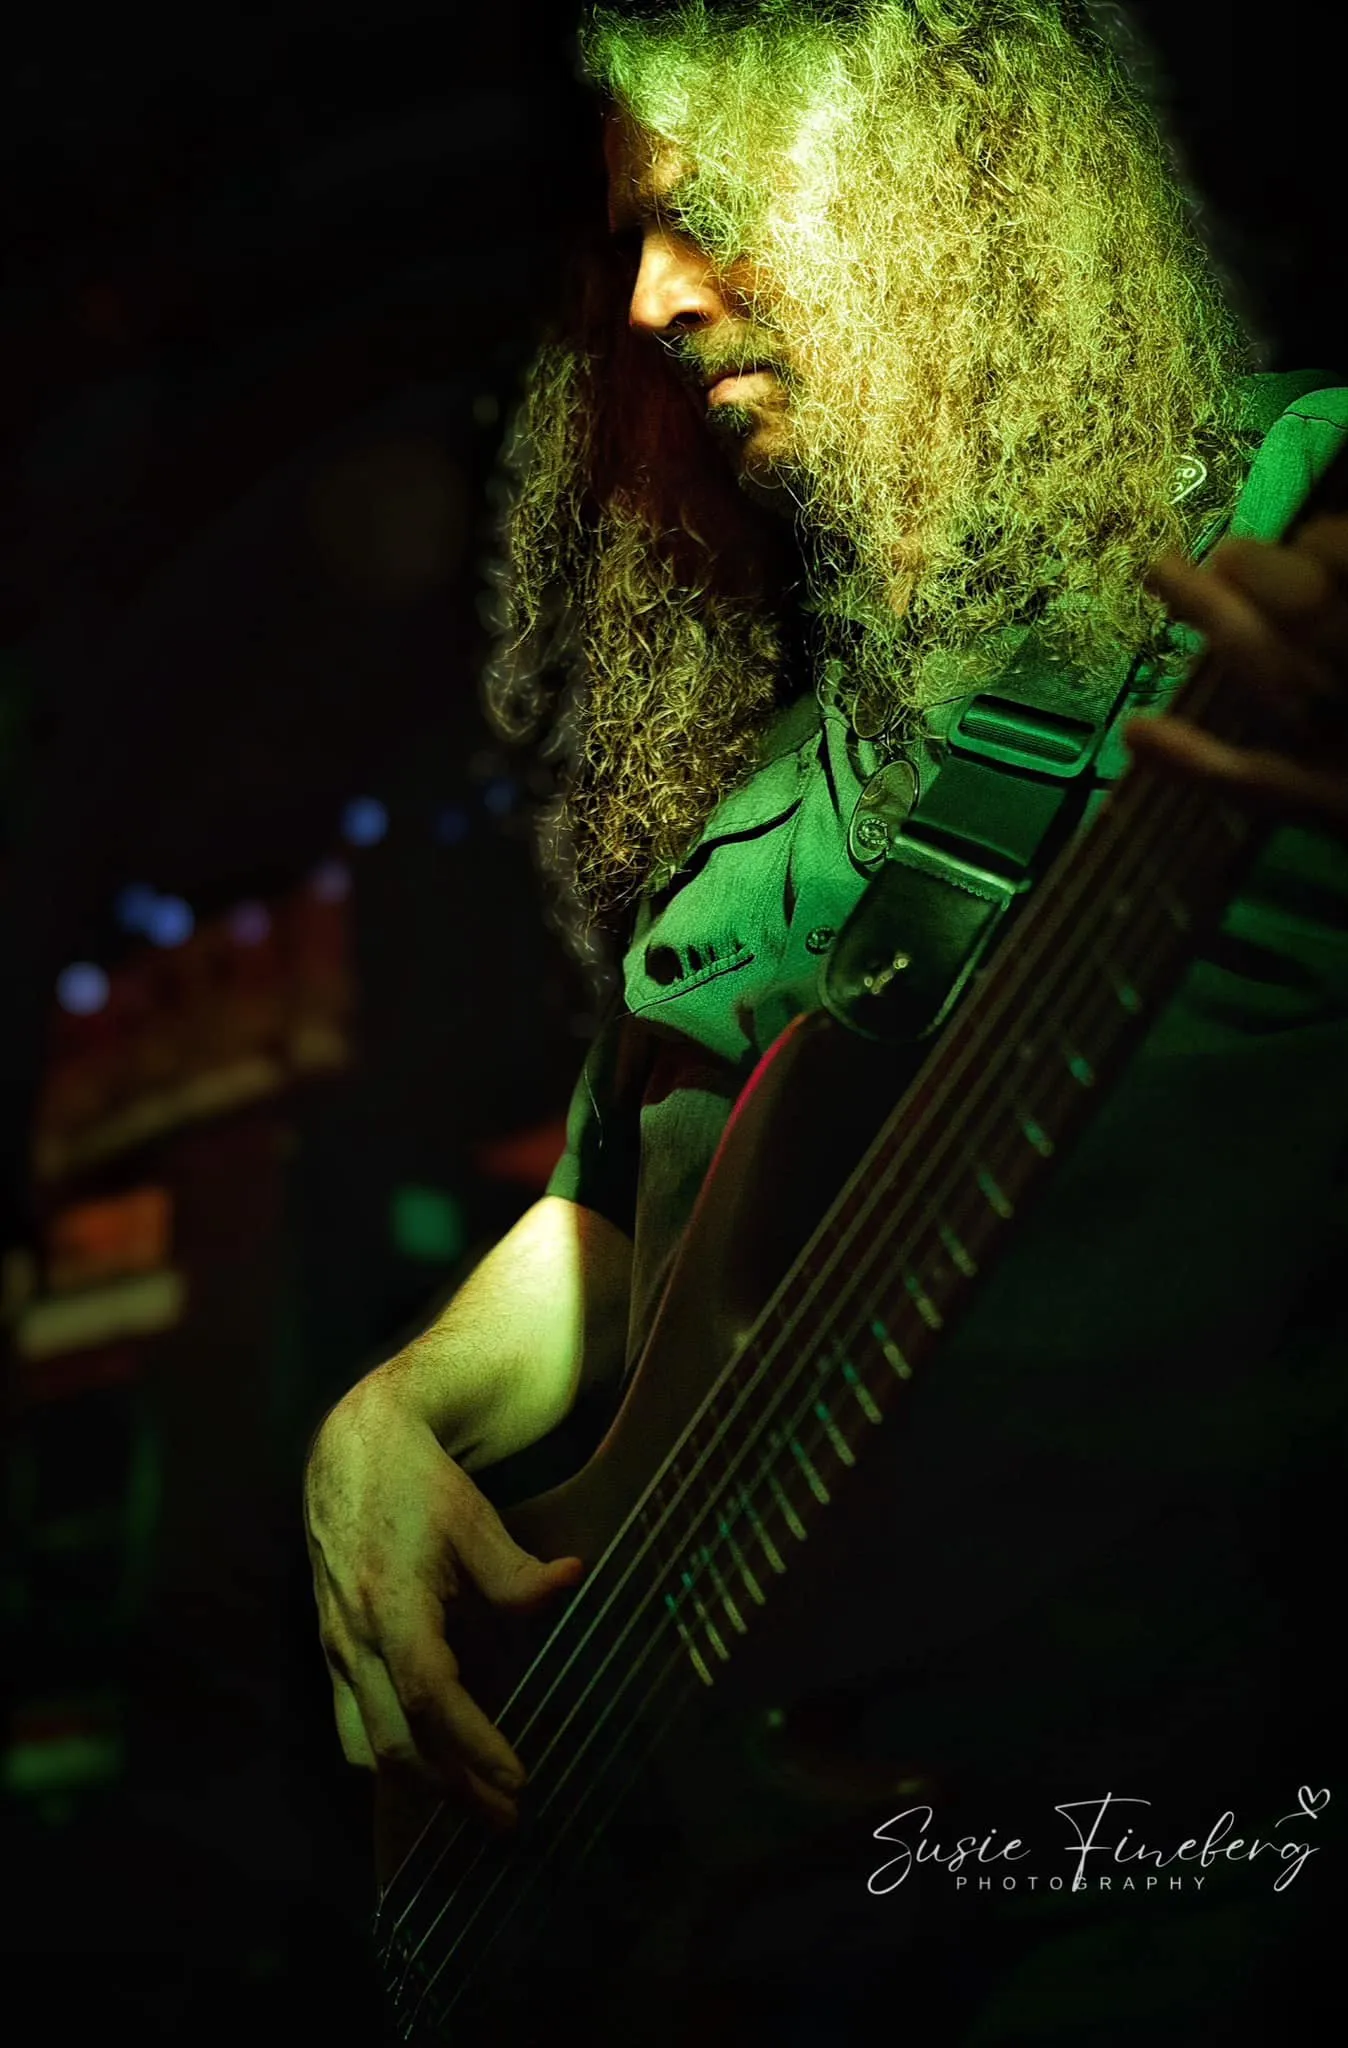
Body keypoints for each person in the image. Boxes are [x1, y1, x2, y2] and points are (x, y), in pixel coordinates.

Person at [304, 2, 1348, 2038]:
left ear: (946, 190)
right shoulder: (776, 790)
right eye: (633, 235)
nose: (647, 296)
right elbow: (631, 1227)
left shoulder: (1291, 514)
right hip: (769, 1925)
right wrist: (395, 1410)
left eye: (705, 212)